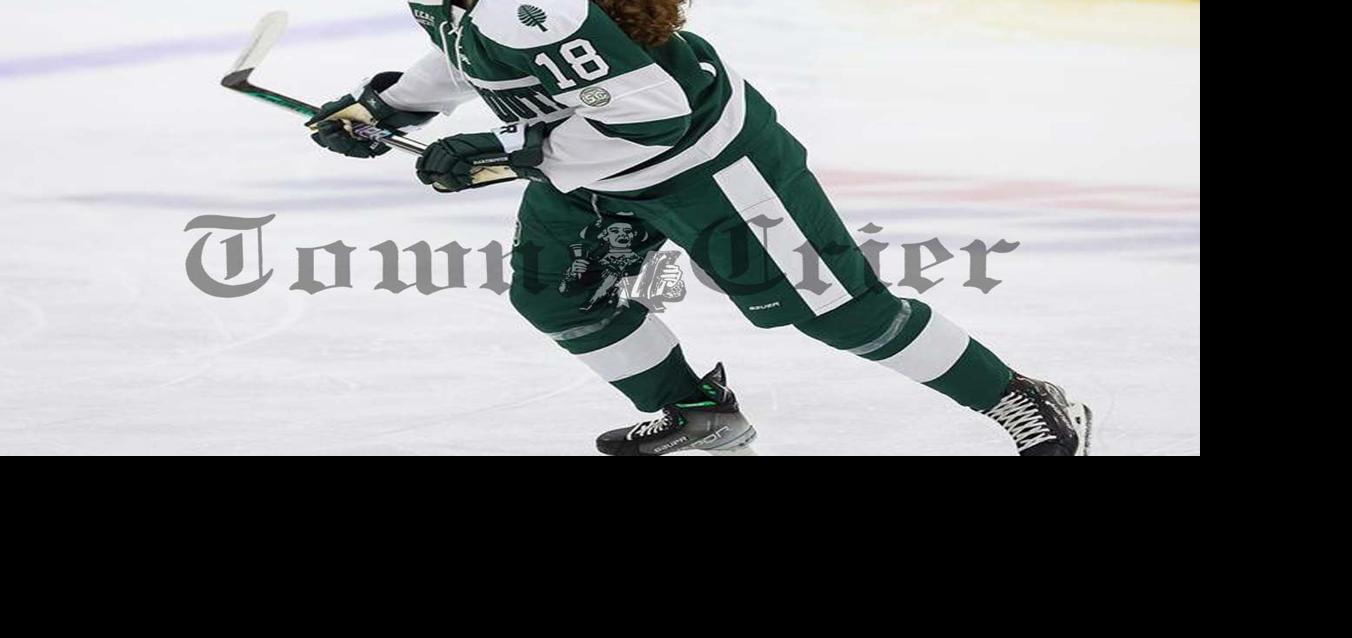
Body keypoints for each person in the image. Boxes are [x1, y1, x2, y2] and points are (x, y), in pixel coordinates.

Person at [307, 0, 1093, 456]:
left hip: (710, 167)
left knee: (841, 311)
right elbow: (470, 54)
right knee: (557, 297)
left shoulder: (532, 4)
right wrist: (389, 108)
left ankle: (1021, 398)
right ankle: (701, 415)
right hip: (590, 175)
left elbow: (654, 117)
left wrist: (506, 150)